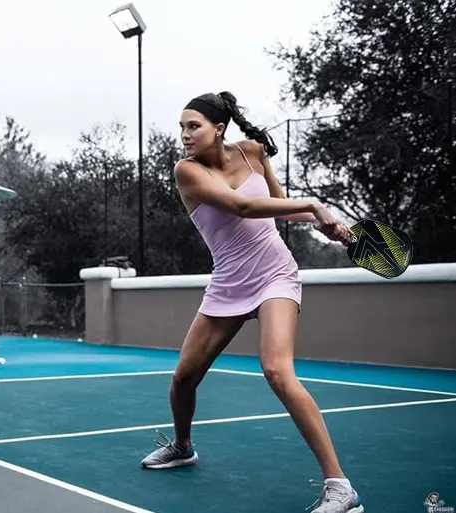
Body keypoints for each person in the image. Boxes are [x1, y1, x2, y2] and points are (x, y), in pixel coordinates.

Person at [139, 91, 364, 513]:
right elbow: (243, 206)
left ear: (218, 128)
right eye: (182, 127)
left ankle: (340, 487)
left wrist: (327, 222)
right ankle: (183, 446)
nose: (185, 135)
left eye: (194, 126)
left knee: (278, 370)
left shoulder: (253, 152)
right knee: (183, 379)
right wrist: (314, 204)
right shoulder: (186, 172)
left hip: (275, 274)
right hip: (227, 282)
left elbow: (278, 209)